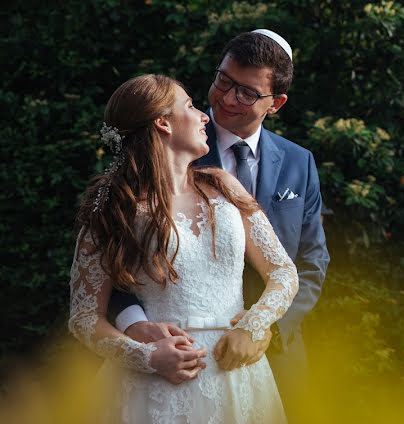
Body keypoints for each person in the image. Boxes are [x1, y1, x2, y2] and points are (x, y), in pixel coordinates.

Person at [109, 29, 330, 395]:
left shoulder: (299, 163)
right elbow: (112, 259)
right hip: (173, 355)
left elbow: (311, 261)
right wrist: (136, 327)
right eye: (223, 81)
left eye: (246, 93)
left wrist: (264, 328)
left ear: (276, 103)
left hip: (276, 356)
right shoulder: (165, 144)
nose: (227, 98)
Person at [69, 74, 298, 422]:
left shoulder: (224, 187)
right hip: (156, 384)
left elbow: (283, 271)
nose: (204, 115)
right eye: (190, 106)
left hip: (236, 376)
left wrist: (253, 324)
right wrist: (146, 358)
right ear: (162, 122)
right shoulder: (114, 206)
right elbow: (85, 317)